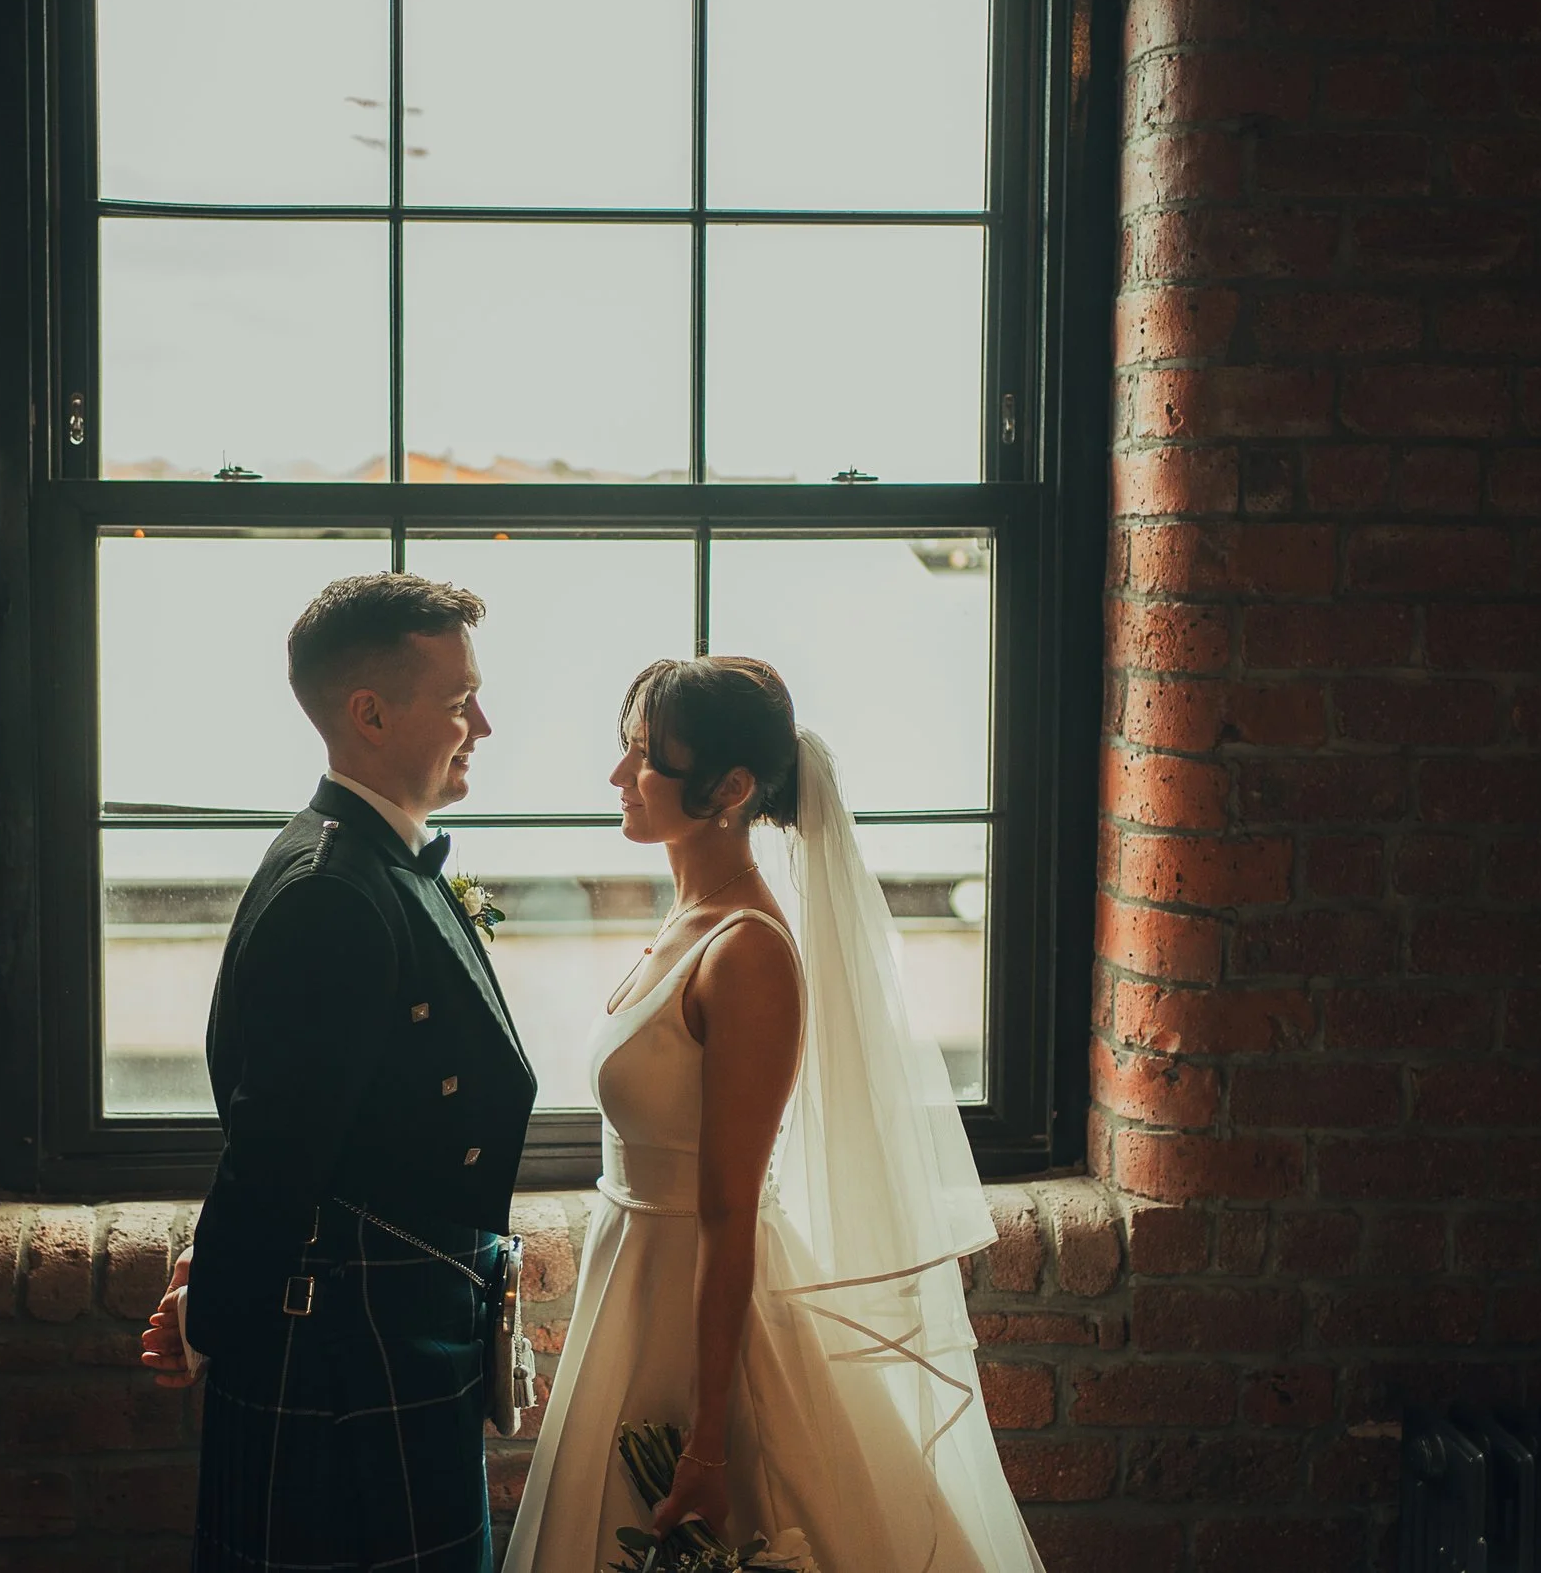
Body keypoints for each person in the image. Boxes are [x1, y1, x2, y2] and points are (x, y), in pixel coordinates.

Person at [502, 656, 1045, 1573]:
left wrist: (710, 1439)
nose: (616, 777)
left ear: (732, 788)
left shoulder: (747, 951)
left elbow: (727, 1207)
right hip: (631, 1280)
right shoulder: (684, 920)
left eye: (643, 757)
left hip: (701, 1302)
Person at [140, 572, 538, 1573]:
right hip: (351, 1347)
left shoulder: (367, 858)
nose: (481, 724)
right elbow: (277, 1149)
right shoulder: (334, 891)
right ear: (368, 712)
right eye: (458, 702)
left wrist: (206, 1287)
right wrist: (211, 1311)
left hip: (392, 1324)